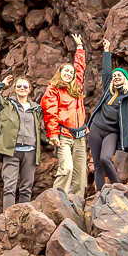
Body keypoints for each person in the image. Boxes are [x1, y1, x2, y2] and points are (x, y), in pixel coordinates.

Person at [87, 39, 128, 192]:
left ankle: (118, 187)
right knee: (97, 164)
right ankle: (100, 194)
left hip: (111, 132)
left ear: (125, 80)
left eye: (119, 76)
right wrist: (107, 51)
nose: (115, 77)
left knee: (105, 158)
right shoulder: (108, 92)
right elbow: (106, 71)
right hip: (96, 128)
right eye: (114, 76)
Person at [0, 74, 47, 209]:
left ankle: (24, 219)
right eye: (19, 86)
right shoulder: (6, 105)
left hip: (30, 152)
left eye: (25, 86)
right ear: (14, 88)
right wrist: (2, 84)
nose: (22, 88)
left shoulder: (36, 109)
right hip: (11, 151)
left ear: (30, 89)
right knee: (9, 187)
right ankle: (8, 219)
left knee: (26, 188)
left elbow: (43, 127)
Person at [40, 34, 87, 201]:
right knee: (66, 168)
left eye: (71, 72)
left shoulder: (76, 87)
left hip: (80, 135)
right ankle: (57, 201)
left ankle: (76, 202)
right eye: (66, 71)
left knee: (80, 172)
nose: (69, 74)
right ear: (60, 73)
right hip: (64, 135)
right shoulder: (53, 89)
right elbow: (49, 111)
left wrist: (79, 47)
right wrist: (52, 134)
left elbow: (80, 68)